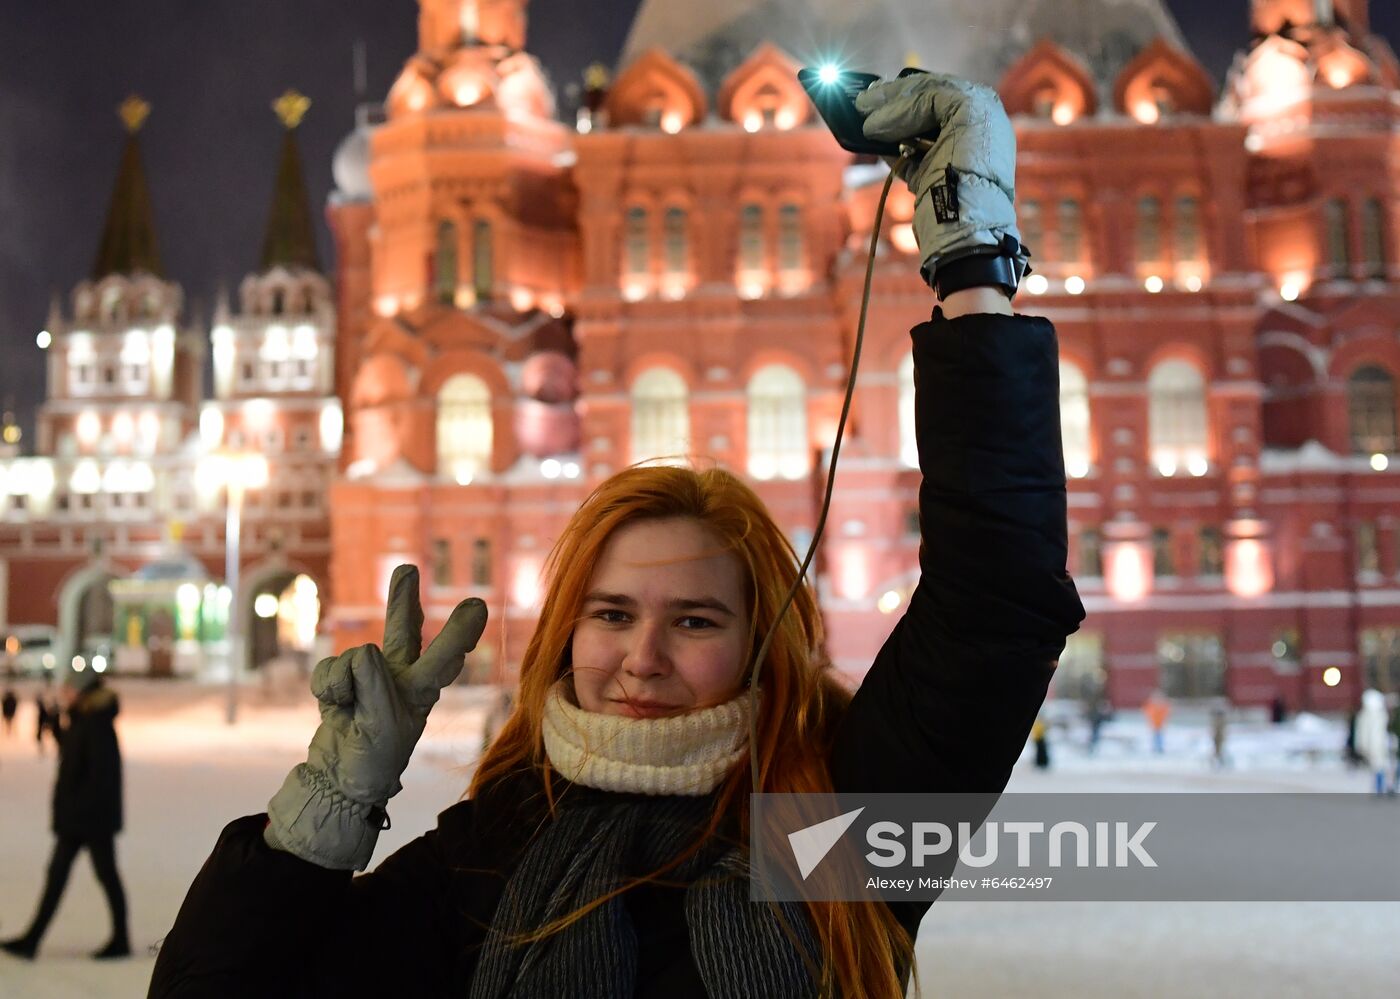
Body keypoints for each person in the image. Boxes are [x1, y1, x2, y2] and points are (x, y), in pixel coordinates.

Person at [149, 72, 1085, 998]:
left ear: (763, 641)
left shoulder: (833, 820)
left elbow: (994, 603)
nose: (642, 659)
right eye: (611, 612)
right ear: (567, 629)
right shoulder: (494, 850)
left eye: (695, 620)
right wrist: (321, 813)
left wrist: (972, 264)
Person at [1, 663, 130, 960]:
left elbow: (99, 776)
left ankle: (119, 940)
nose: (64, 692)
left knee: (102, 876)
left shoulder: (95, 723)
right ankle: (32, 939)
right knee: (63, 876)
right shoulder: (85, 719)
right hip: (81, 817)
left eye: (69, 688)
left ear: (82, 691)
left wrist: (79, 812)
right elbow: (76, 758)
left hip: (89, 819)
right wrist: (58, 729)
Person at [1354, 688, 1393, 796]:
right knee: (1379, 766)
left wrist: (1361, 744)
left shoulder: (1367, 715)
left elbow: (1363, 732)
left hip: (1378, 744)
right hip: (1378, 744)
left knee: (1379, 766)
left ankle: (1381, 786)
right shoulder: (1376, 714)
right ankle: (1380, 786)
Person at [1144, 690, 1171, 755]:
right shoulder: (1152, 706)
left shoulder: (1162, 706)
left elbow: (1166, 713)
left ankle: (1159, 747)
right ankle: (1156, 747)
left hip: (1160, 724)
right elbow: (1147, 711)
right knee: (1155, 736)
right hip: (1154, 724)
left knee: (1159, 736)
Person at [1209, 704, 1229, 770]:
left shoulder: (1220, 721)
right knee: (1217, 751)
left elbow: (1221, 730)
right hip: (1217, 737)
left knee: (1218, 751)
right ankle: (1217, 762)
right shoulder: (1220, 721)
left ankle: (1218, 762)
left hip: (1219, 737)